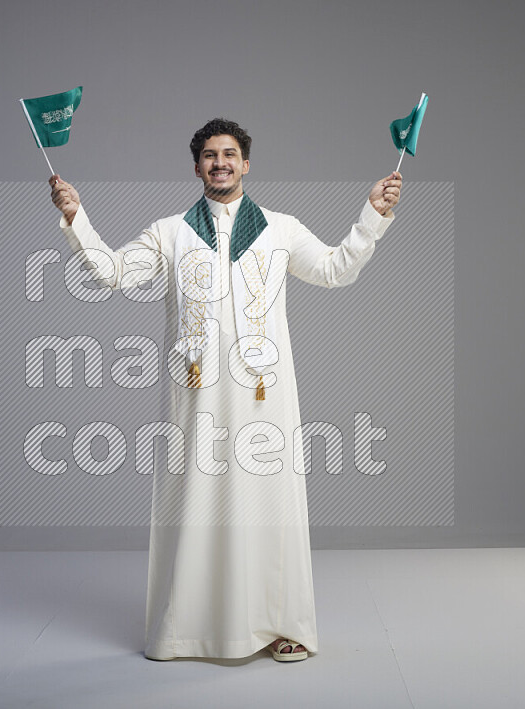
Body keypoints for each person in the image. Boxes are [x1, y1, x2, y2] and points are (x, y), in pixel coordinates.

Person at [50, 118, 401, 662]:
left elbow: (335, 269)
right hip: (196, 397)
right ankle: (186, 629)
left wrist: (373, 215)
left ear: (246, 163)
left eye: (230, 154)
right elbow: (109, 273)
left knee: (270, 504)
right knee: (195, 503)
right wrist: (77, 218)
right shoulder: (170, 232)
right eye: (210, 155)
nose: (220, 163)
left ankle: (283, 626)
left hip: (266, 395)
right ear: (197, 167)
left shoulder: (279, 229)